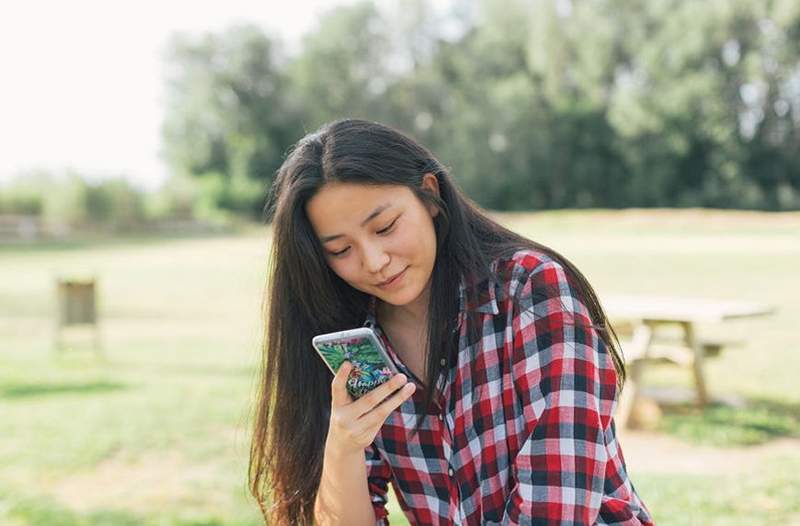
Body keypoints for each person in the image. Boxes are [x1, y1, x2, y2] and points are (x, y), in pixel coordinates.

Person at [249, 119, 654, 525]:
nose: (374, 261)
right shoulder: (353, 346)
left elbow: (558, 510)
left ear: (428, 194)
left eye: (386, 227)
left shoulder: (531, 290)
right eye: (340, 250)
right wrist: (343, 445)